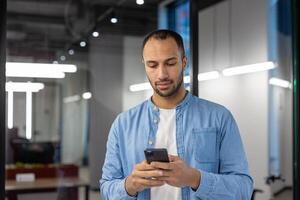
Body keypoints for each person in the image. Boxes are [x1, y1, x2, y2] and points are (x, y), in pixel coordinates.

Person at [100, 29, 253, 200]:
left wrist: (195, 178)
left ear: (184, 62)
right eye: (152, 65)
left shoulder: (219, 118)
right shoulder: (123, 124)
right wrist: (130, 185)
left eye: (170, 63)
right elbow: (106, 187)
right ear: (144, 65)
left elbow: (243, 189)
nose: (162, 74)